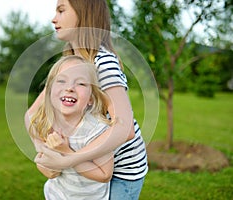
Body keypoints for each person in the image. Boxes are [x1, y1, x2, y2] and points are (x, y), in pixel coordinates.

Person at [24, 0, 148, 199]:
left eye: (61, 10)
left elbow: (125, 128)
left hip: (121, 172)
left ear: (84, 13)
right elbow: (31, 115)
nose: (53, 18)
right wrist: (47, 156)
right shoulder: (70, 62)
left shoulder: (103, 63)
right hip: (88, 160)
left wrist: (67, 159)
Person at [29, 55, 114, 200]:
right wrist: (49, 164)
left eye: (81, 83)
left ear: (91, 99)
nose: (69, 88)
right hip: (55, 195)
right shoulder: (49, 124)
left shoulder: (97, 130)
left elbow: (105, 175)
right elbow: (46, 167)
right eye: (61, 81)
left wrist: (66, 152)